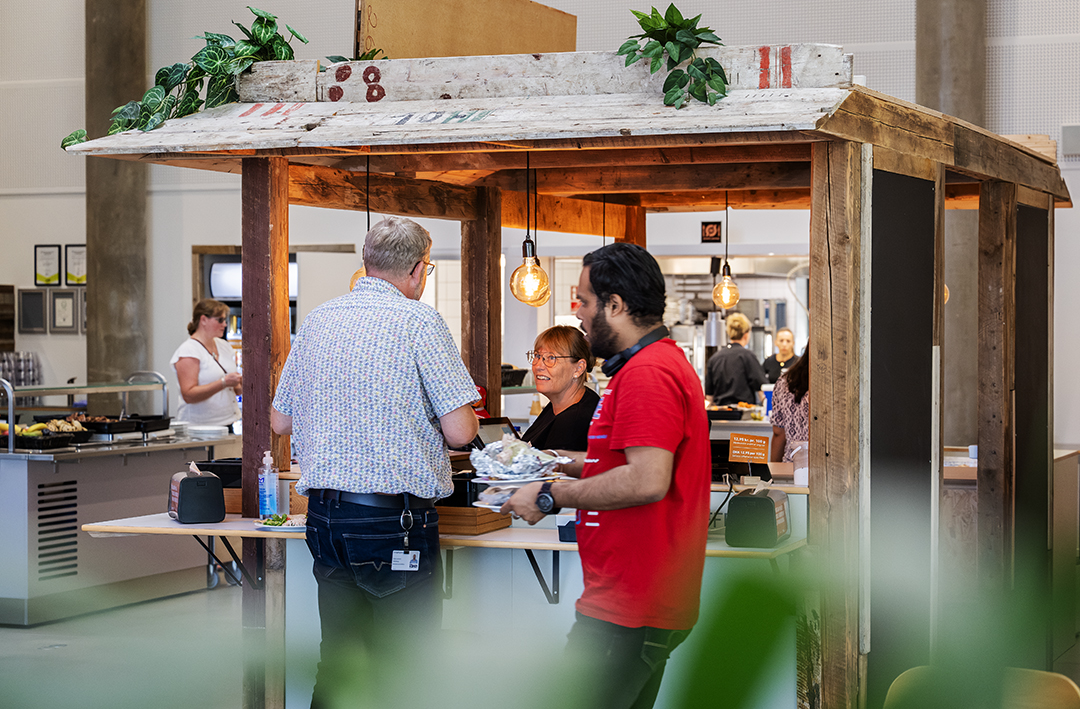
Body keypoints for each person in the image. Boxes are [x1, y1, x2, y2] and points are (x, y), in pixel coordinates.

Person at [270, 216, 479, 708]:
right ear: (417, 271)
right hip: (393, 523)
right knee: (405, 664)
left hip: (324, 520)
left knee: (339, 658)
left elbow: (280, 421)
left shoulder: (319, 319)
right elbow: (461, 431)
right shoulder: (419, 321)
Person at [504, 243, 711, 709]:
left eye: (583, 300)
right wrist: (555, 462)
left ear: (614, 305)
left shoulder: (648, 373)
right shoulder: (651, 365)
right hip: (633, 597)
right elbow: (624, 462)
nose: (576, 312)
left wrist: (548, 497)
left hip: (633, 602)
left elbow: (646, 479)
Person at [521, 325, 598, 452]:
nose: (538, 366)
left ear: (578, 368)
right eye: (537, 356)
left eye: (551, 358)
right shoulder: (558, 406)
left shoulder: (573, 421)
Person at [169, 298, 242, 427]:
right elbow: (189, 395)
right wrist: (223, 382)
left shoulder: (224, 346)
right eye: (220, 320)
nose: (224, 324)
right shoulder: (188, 351)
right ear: (203, 320)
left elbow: (236, 389)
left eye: (225, 320)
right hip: (199, 428)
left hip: (228, 422)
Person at [704, 312, 767, 406]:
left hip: (720, 414)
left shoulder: (714, 359)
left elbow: (709, 397)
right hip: (743, 415)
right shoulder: (748, 356)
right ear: (746, 334)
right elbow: (762, 390)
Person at [770, 346, 810, 462]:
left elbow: (779, 432)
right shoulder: (837, 383)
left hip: (791, 465)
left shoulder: (785, 381)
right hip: (830, 470)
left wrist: (774, 473)